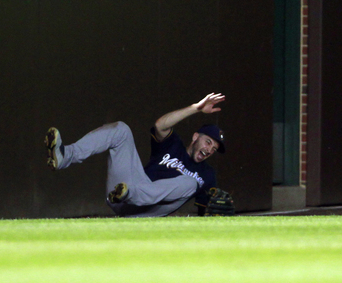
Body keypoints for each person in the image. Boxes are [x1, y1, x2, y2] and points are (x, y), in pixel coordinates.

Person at [44, 93, 226, 217]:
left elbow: (206, 215)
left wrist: (221, 215)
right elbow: (161, 125)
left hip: (148, 210)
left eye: (214, 148)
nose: (210, 149)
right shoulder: (173, 144)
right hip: (123, 194)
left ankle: (131, 193)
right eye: (208, 142)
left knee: (190, 182)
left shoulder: (207, 175)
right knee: (121, 130)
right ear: (195, 137)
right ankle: (64, 156)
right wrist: (196, 108)